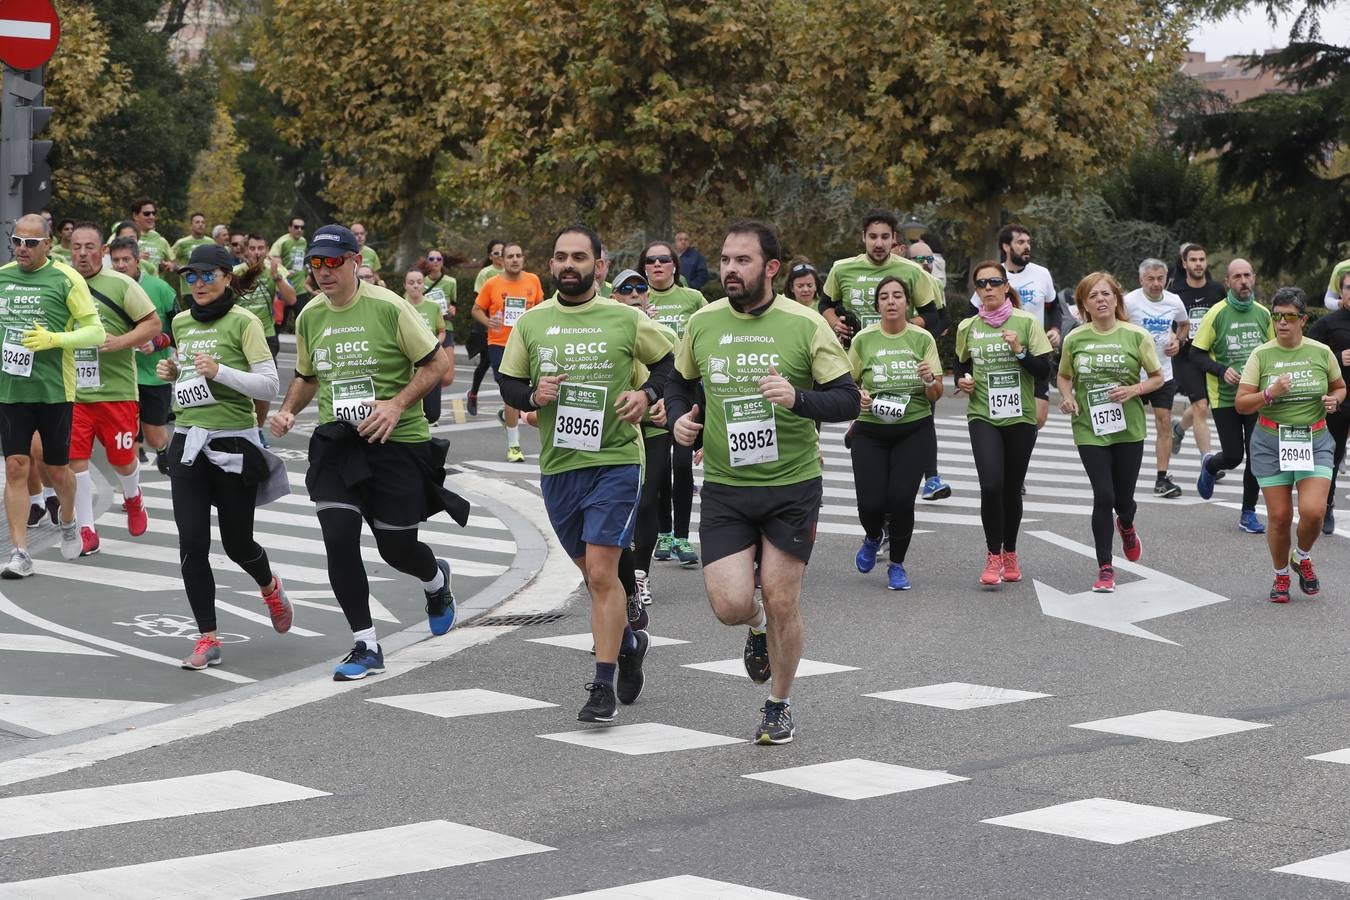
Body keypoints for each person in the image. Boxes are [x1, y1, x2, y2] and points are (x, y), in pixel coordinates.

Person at [667, 220, 859, 745]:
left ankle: (779, 703)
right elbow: (679, 381)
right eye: (726, 259)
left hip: (792, 483)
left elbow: (845, 398)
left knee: (781, 597)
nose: (730, 269)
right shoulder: (703, 323)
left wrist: (798, 400)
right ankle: (755, 629)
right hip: (727, 486)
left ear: (770, 268)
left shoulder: (804, 325)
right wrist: (683, 418)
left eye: (743, 261)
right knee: (731, 605)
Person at [496, 224, 674, 722]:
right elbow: (509, 383)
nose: (568, 264)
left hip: (616, 460)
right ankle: (631, 640)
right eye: (560, 257)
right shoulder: (532, 324)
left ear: (599, 265)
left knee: (600, 574)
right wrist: (534, 396)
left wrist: (647, 396)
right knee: (596, 579)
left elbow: (669, 364)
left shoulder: (623, 318)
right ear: (550, 265)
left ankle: (601, 687)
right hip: (560, 467)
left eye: (579, 257)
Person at [270, 225, 461, 681]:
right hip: (339, 442)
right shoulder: (310, 315)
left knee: (397, 548)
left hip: (397, 441)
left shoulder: (389, 307)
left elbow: (438, 364)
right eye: (315, 264)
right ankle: (365, 643)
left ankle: (435, 581)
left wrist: (396, 405)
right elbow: (307, 374)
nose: (324, 272)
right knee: (338, 533)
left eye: (333, 262)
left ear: (356, 261)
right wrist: (288, 410)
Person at [156, 244, 292, 669]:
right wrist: (174, 373)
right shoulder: (180, 321)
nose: (196, 284)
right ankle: (207, 638)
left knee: (237, 544)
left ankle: (269, 586)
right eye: (190, 276)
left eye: (205, 275)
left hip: (233, 444)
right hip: (188, 443)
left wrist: (221, 372)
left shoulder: (245, 321)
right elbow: (188, 373)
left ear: (226, 276)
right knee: (192, 543)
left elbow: (270, 386)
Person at [0, 215, 107, 575]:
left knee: (58, 470)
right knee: (16, 466)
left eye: (31, 243)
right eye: (17, 241)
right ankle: (20, 552)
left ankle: (67, 519)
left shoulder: (66, 278)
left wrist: (55, 340)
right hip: (11, 389)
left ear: (48, 244)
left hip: (54, 390)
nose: (22, 249)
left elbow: (95, 332)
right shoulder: (3, 277)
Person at [1234, 287, 1345, 602]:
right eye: (1277, 316)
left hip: (1315, 437)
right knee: (1280, 516)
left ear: (1303, 320)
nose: (1282, 322)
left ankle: (1303, 556)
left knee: (1313, 511)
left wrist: (1334, 401)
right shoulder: (1262, 355)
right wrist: (1270, 394)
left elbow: (1340, 388)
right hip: (1271, 441)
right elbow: (1242, 404)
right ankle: (1281, 575)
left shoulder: (1320, 352)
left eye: (1290, 316)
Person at [1058, 273, 1165, 592]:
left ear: (1116, 299)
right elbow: (1064, 376)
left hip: (1128, 428)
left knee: (1124, 500)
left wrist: (1135, 389)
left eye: (1106, 294)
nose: (1101, 300)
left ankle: (1128, 525)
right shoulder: (1075, 339)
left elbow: (1158, 378)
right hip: (1089, 427)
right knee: (1103, 496)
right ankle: (1105, 567)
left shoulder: (1136, 335)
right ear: (1084, 305)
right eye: (1093, 296)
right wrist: (1068, 397)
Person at [954, 261, 1054, 587]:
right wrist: (963, 380)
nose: (988, 288)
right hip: (983, 413)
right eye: (981, 284)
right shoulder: (968, 327)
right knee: (990, 485)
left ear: (1006, 285)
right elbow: (960, 365)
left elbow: (1043, 371)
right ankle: (993, 554)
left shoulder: (1026, 322)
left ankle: (1010, 551)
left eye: (994, 282)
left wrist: (1020, 352)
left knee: (1011, 487)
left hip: (1020, 416)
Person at [66, 224, 162, 556]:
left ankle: (133, 498)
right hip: (75, 392)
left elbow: (152, 324)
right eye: (76, 246)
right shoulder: (62, 282)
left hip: (117, 391)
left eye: (89, 246)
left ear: (102, 251)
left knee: (122, 459)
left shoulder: (120, 284)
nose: (82, 253)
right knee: (75, 460)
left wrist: (121, 342)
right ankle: (87, 529)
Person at [847, 276, 943, 591]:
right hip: (871, 430)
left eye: (898, 296)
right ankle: (874, 535)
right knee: (870, 503)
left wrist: (929, 380)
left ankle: (897, 565)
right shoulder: (863, 339)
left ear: (907, 303)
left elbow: (937, 393)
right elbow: (848, 383)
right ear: (877, 305)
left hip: (913, 429)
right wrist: (857, 395)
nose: (891, 301)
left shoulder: (922, 339)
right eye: (885, 296)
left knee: (902, 500)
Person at [611, 268, 677, 606]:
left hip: (652, 424)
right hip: (616, 426)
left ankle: (640, 575)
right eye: (626, 289)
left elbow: (681, 377)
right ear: (614, 298)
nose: (636, 293)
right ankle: (615, 573)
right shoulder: (603, 331)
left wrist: (671, 402)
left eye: (641, 288)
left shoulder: (663, 333)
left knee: (647, 498)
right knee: (622, 502)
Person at [1193, 259, 1274, 534]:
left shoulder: (1264, 314)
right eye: (1237, 276)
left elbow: (1274, 351)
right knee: (1233, 456)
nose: (1243, 281)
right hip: (1225, 396)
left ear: (1254, 278)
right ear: (1228, 282)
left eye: (1247, 275)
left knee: (1256, 455)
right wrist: (1221, 370)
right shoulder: (1216, 314)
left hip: (1254, 397)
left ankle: (1248, 513)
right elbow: (1195, 354)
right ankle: (1210, 465)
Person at [641, 240, 706, 566]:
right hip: (652, 391)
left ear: (675, 265)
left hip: (686, 391)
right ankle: (664, 534)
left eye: (664, 259)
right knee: (660, 469)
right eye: (651, 260)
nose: (657, 265)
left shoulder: (692, 298)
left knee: (682, 465)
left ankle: (682, 537)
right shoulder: (638, 297)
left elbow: (708, 335)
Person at [966, 225, 1060, 429]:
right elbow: (970, 316)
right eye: (1020, 242)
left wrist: (1055, 329)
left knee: (1038, 418)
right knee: (1004, 415)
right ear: (1006, 246)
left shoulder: (1042, 274)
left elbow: (1054, 308)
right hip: (1000, 354)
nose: (1027, 247)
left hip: (1034, 352)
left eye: (1028, 242)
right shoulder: (990, 278)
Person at [821, 210, 943, 347]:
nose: (879, 244)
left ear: (893, 238)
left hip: (897, 352)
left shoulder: (913, 271)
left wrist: (905, 326)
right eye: (873, 237)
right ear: (864, 237)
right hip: (855, 354)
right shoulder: (841, 269)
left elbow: (931, 315)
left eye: (885, 237)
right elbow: (825, 305)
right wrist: (836, 324)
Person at [109, 236, 179, 475]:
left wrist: (156, 342)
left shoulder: (160, 289)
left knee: (154, 435)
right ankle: (132, 492)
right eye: (115, 260)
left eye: (126, 259)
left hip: (154, 374)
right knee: (129, 438)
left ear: (137, 261)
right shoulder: (104, 288)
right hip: (121, 377)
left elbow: (178, 330)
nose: (120, 265)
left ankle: (163, 451)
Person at [1122, 258, 1190, 498]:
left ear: (1166, 279)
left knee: (1164, 423)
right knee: (1129, 425)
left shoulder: (1174, 301)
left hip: (1162, 373)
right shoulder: (1129, 301)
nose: (1156, 284)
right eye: (1150, 279)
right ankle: (1120, 472)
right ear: (1141, 279)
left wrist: (1177, 341)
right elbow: (1117, 327)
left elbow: (1184, 324)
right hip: (1133, 373)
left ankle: (1162, 479)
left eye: (1160, 278)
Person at [473, 241, 544, 462]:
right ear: (501, 260)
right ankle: (514, 446)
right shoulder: (492, 284)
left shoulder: (533, 280)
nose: (515, 259)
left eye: (518, 255)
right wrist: (489, 321)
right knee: (511, 391)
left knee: (527, 390)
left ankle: (507, 415)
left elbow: (541, 307)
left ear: (523, 259)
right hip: (500, 344)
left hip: (527, 343)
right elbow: (476, 309)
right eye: (510, 256)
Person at [234, 235, 297, 436]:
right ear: (245, 251)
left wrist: (277, 276)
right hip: (240, 335)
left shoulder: (275, 269)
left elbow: (291, 299)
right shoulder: (237, 273)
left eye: (261, 247)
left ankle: (258, 431)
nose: (257, 252)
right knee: (239, 386)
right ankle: (239, 427)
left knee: (263, 389)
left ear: (267, 249)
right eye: (252, 248)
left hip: (266, 335)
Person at [906, 239, 953, 501]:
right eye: (919, 260)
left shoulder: (934, 285)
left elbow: (943, 321)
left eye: (929, 260)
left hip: (923, 360)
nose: (925, 264)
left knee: (926, 419)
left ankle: (931, 479)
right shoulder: (897, 282)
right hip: (888, 360)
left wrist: (920, 333)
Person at [1170, 244, 1227, 460]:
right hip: (1186, 357)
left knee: (1203, 404)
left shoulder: (1216, 290)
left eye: (1202, 259)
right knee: (1201, 406)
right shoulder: (1175, 293)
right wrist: (1172, 338)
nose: (1198, 264)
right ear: (1184, 264)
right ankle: (1208, 460)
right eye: (1193, 260)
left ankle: (1179, 429)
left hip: (1210, 356)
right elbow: (1167, 323)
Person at [1306, 268, 1350, 532]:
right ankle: (1328, 506)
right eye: (1347, 287)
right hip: (1340, 397)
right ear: (1340, 292)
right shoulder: (1329, 322)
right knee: (1332, 455)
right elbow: (1307, 352)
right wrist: (1337, 354)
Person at [465, 239, 506, 416]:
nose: (501, 256)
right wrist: (489, 321)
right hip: (488, 325)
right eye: (496, 253)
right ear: (490, 256)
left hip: (508, 326)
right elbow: (479, 303)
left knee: (507, 364)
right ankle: (473, 393)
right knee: (487, 362)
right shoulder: (486, 273)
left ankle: (511, 403)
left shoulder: (511, 272)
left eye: (503, 252)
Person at [403, 268, 448, 424]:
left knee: (432, 414)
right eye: (411, 282)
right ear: (405, 286)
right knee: (408, 410)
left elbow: (442, 331)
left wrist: (435, 345)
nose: (415, 286)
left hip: (429, 362)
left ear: (423, 285)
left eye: (419, 282)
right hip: (406, 365)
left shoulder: (433, 306)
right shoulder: (397, 305)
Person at [270, 216, 309, 316]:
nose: (299, 230)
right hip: (285, 287)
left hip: (300, 287)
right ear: (290, 228)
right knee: (280, 321)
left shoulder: (303, 241)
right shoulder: (282, 242)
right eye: (296, 227)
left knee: (302, 319)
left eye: (302, 227)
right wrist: (285, 271)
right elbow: (272, 261)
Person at [129, 197, 172, 278]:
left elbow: (175, 264)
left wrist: (168, 266)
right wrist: (135, 258)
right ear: (135, 216)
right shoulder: (123, 235)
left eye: (153, 213)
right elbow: (108, 261)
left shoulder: (161, 240)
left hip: (155, 289)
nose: (152, 217)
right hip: (131, 287)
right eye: (147, 213)